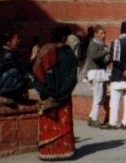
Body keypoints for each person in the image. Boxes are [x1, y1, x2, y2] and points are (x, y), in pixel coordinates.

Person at [30, 26, 78, 160]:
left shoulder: (44, 50)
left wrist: (46, 90)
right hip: (64, 96)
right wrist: (62, 92)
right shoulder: (69, 53)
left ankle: (46, 151)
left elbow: (36, 72)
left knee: (46, 123)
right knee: (63, 122)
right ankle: (65, 150)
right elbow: (73, 76)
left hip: (45, 96)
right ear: (64, 38)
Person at [81, 25, 111, 127]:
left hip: (100, 72)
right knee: (98, 97)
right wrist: (106, 51)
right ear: (96, 34)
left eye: (104, 33)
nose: (103, 35)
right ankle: (94, 119)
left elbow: (103, 60)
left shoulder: (101, 44)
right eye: (101, 33)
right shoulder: (93, 43)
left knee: (102, 97)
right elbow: (94, 55)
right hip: (95, 72)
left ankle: (91, 117)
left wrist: (109, 57)